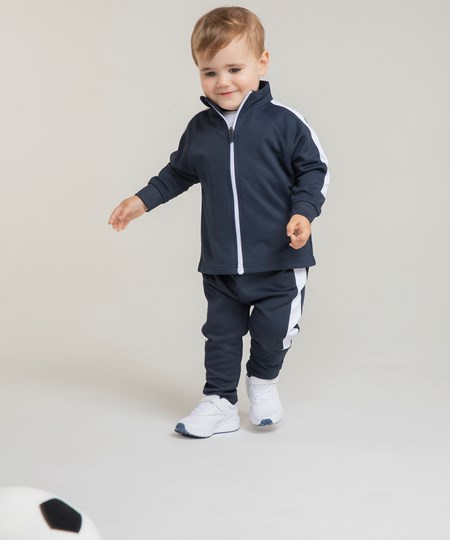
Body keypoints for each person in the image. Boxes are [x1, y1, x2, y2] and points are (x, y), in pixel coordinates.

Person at [108, 6, 329, 438]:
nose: (222, 82)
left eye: (234, 69)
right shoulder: (200, 129)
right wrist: (142, 201)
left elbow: (314, 170)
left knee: (273, 331)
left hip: (280, 259)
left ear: (262, 63)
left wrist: (304, 213)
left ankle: (262, 382)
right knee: (221, 336)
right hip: (221, 262)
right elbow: (178, 173)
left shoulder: (284, 122)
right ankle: (220, 401)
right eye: (209, 72)